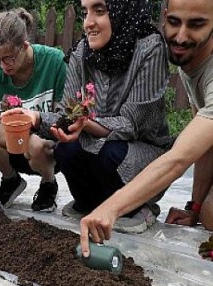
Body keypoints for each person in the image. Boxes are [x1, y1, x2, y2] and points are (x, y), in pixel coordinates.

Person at [6, 0, 172, 234]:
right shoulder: (82, 52)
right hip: (96, 144)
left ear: (122, 10)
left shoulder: (149, 48)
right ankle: (89, 204)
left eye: (100, 11)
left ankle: (138, 207)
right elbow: (66, 113)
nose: (88, 23)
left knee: (110, 152)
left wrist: (86, 123)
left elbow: (131, 124)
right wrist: (36, 118)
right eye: (85, 13)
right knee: (65, 148)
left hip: (141, 150)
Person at [79, 0, 213, 256]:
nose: (181, 36)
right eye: (174, 22)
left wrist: (112, 208)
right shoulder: (192, 59)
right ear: (165, 17)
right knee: (206, 214)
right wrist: (193, 208)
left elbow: (178, 159)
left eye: (196, 25)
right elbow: (206, 147)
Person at [0, 8, 67, 212]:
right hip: (13, 150)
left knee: (35, 144)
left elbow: (65, 116)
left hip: (47, 150)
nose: (3, 65)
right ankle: (10, 179)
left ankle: (48, 184)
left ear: (24, 46)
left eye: (8, 58)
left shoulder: (53, 61)